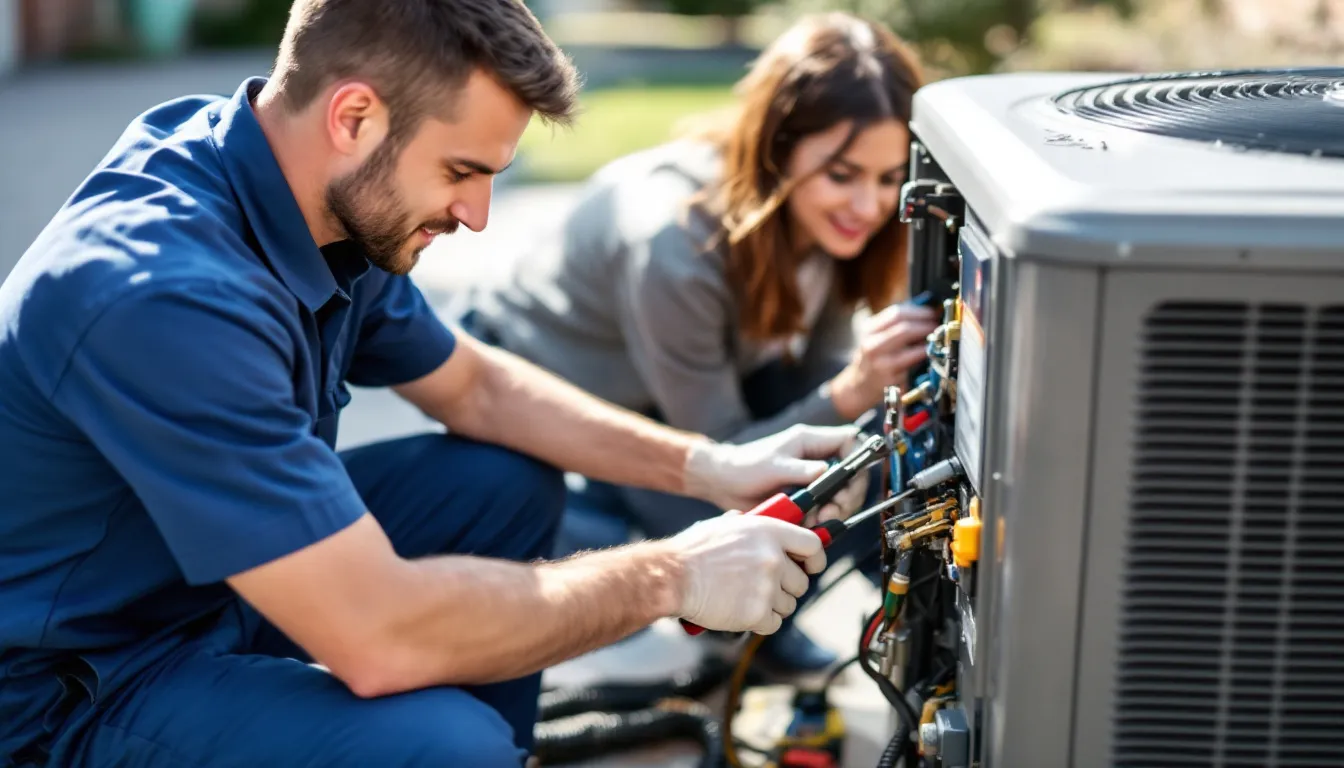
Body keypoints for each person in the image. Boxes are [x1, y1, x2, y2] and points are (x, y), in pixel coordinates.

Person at [0, 2, 869, 766]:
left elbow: (476, 389)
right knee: (445, 747)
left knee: (499, 481)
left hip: (198, 585)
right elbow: (376, 636)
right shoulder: (162, 295)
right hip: (71, 687)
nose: (477, 214)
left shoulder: (300, 185)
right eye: (462, 172)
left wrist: (711, 466)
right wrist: (672, 575)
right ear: (354, 116)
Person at [460, 11, 937, 672]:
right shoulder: (674, 241)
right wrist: (851, 389)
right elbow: (725, 458)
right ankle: (601, 511)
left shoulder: (826, 224)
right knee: (616, 615)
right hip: (545, 381)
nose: (868, 204)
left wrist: (858, 398)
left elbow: (821, 383)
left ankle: (792, 626)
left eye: (888, 180)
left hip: (674, 382)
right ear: (778, 147)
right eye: (843, 174)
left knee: (856, 455)